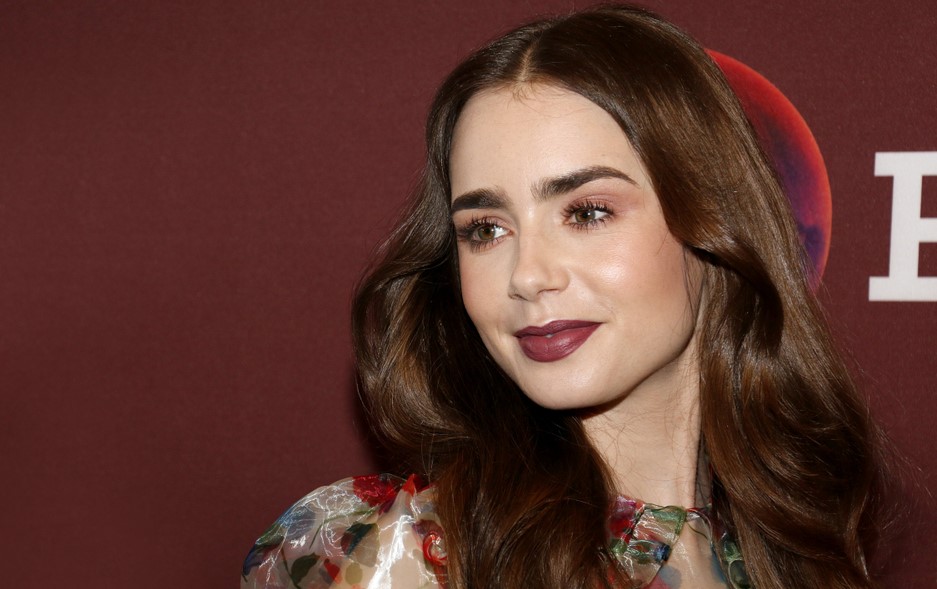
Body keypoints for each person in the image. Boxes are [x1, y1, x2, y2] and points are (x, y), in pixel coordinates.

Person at [241, 5, 889, 588]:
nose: (527, 275)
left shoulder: (793, 546)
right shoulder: (420, 560)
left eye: (587, 213)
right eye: (485, 229)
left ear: (713, 223)